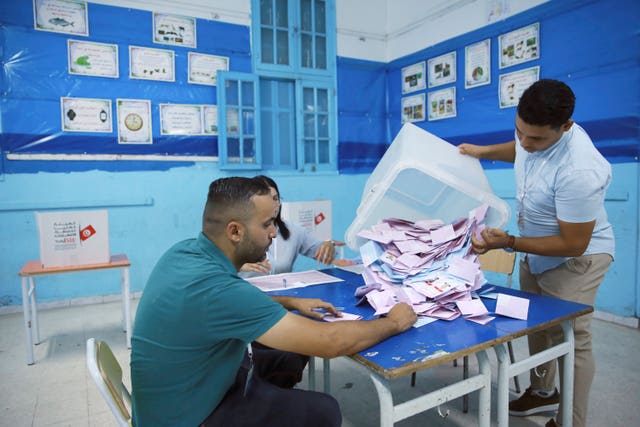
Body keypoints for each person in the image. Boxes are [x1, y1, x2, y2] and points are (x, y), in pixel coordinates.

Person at [130, 176, 417, 427]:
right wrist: (393, 322)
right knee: (324, 411)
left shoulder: (185, 253)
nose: (273, 232)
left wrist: (291, 302)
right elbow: (331, 342)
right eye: (267, 224)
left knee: (290, 355)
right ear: (235, 231)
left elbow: (233, 303)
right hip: (190, 418)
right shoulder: (218, 290)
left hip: (180, 395)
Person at [459, 79, 614, 427]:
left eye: (538, 138)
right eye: (520, 131)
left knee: (572, 337)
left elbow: (574, 243)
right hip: (537, 247)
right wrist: (481, 152)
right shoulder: (533, 135)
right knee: (536, 326)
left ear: (566, 127)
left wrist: (510, 243)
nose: (526, 143)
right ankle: (543, 392)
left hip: (578, 258)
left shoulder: (580, 169)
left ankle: (570, 420)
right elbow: (521, 148)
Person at [239, 175, 341, 277]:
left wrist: (329, 244)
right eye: (265, 200)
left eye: (275, 198)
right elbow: (223, 267)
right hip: (245, 291)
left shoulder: (293, 230)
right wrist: (237, 266)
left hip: (281, 291)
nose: (272, 205)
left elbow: (325, 252)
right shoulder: (238, 231)